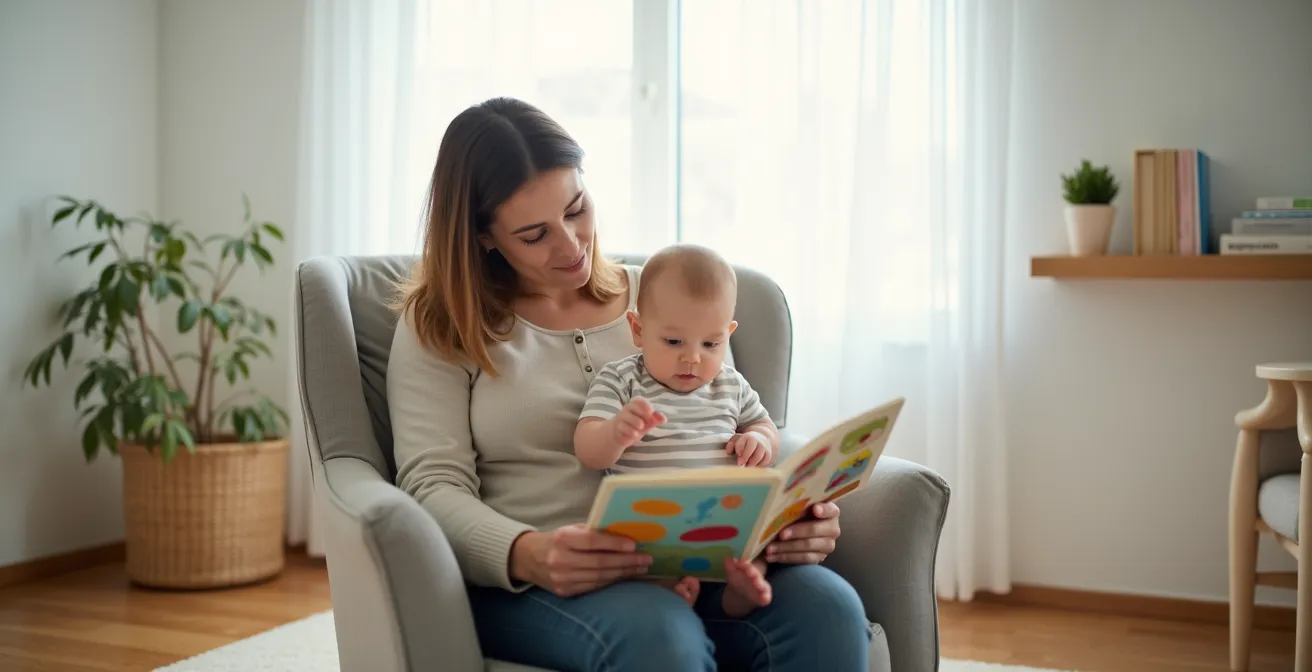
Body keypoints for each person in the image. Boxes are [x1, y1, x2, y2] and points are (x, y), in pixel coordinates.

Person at [387, 96, 869, 671]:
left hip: (702, 563)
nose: (570, 246)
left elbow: (733, 425)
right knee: (658, 637)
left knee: (830, 609)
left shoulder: (668, 300)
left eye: (576, 209)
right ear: (484, 237)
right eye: (535, 234)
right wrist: (528, 554)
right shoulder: (443, 325)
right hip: (535, 586)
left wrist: (790, 517)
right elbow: (430, 487)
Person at [573, 243, 777, 615]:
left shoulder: (731, 385)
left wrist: (759, 438)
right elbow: (587, 449)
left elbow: (765, 424)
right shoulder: (621, 380)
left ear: (728, 335)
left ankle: (740, 592)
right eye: (673, 341)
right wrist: (616, 432)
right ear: (637, 329)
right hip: (651, 528)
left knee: (757, 547)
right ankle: (669, 592)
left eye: (711, 343)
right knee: (630, 559)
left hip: (723, 519)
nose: (693, 357)